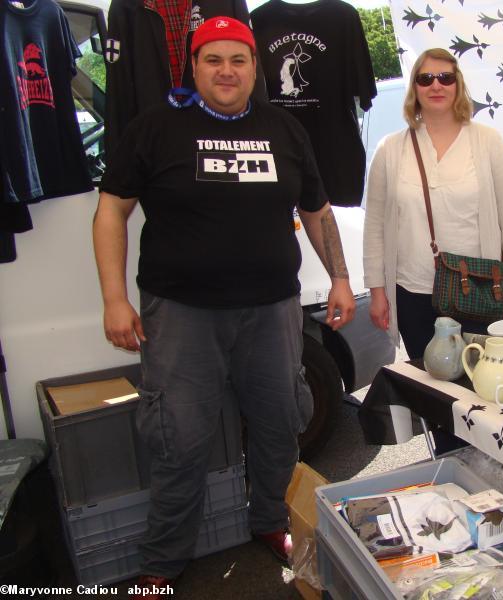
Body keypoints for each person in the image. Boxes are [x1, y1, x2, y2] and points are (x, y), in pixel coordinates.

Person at [92, 16, 355, 599]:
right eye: (213, 59)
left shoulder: (284, 130)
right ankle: (164, 559)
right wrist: (113, 298)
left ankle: (270, 521)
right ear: (193, 66)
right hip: (181, 315)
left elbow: (316, 210)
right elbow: (111, 209)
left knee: (280, 424)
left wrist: (340, 277)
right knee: (179, 437)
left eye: (238, 59)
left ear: (255, 67)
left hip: (272, 310)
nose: (226, 71)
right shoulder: (154, 128)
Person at [363, 48, 503, 450]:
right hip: (414, 291)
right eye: (426, 78)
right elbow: (375, 225)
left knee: (483, 390)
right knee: (436, 395)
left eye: (445, 77)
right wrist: (378, 290)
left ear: (458, 85)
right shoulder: (391, 149)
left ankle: (489, 467)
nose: (436, 85)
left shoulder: (487, 142)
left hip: (478, 290)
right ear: (414, 88)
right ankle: (452, 467)